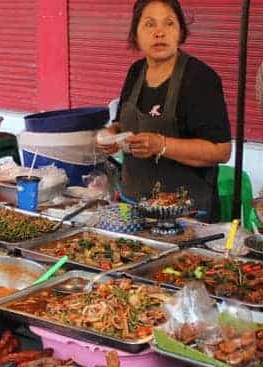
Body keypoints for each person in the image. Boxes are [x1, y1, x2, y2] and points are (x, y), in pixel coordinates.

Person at [97, 0, 232, 221]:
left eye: (169, 23)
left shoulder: (200, 79)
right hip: (133, 206)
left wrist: (162, 145)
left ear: (180, 31)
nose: (160, 32)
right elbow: (122, 123)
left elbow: (220, 150)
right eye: (150, 24)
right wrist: (110, 135)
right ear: (136, 34)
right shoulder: (136, 72)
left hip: (185, 215)